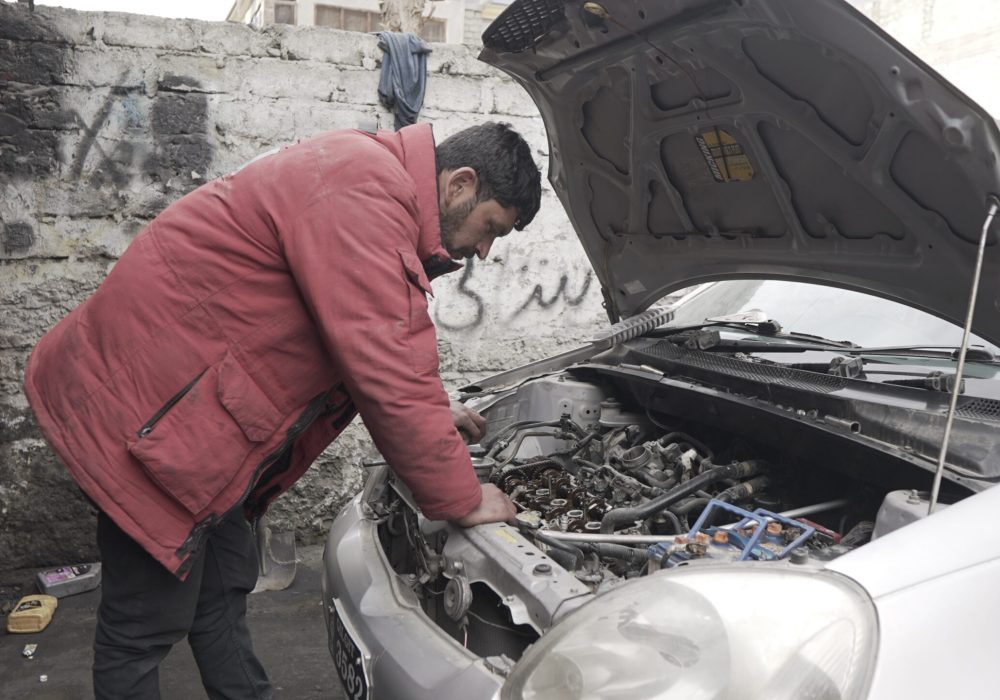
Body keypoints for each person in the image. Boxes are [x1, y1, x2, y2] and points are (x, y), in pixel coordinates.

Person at [23, 120, 541, 699]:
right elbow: (388, 359)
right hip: (143, 421)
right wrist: (464, 498)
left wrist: (428, 410)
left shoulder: (366, 174)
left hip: (182, 418)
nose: (483, 251)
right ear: (459, 184)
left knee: (221, 590)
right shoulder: (365, 186)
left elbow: (359, 337)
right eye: (490, 227)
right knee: (143, 625)